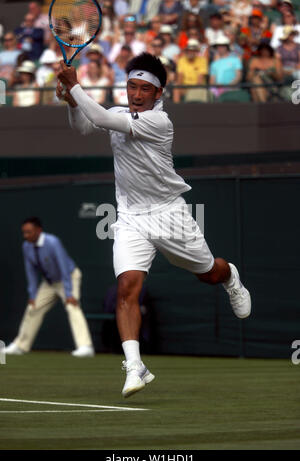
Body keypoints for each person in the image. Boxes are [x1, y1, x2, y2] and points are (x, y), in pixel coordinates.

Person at [57, 52, 251, 398]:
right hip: (130, 216)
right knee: (127, 287)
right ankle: (135, 367)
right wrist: (72, 101)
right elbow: (84, 125)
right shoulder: (119, 112)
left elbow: (99, 115)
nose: (136, 94)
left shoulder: (160, 123)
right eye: (131, 86)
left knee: (207, 273)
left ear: (158, 93)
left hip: (169, 214)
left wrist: (75, 87)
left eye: (144, 89)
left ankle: (230, 277)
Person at [4, 217, 94, 357]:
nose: (26, 236)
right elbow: (31, 272)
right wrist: (32, 295)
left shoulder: (52, 242)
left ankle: (85, 347)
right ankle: (20, 345)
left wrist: (69, 293)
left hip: (69, 277)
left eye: (29, 232)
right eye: (24, 232)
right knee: (32, 308)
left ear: (39, 230)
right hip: (49, 283)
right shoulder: (26, 246)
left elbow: (64, 267)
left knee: (72, 307)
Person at [174, 38, 208, 103]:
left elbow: (200, 79)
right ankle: (177, 109)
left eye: (192, 50)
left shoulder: (202, 60)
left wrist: (193, 91)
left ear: (196, 52)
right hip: (185, 88)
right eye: (188, 50)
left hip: (198, 87)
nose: (190, 52)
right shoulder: (182, 60)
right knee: (176, 89)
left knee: (197, 91)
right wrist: (179, 87)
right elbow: (180, 77)